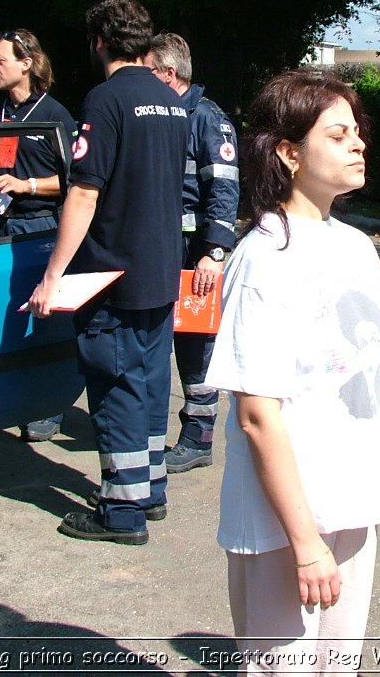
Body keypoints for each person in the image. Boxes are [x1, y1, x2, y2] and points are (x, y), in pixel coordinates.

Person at [205, 69, 380, 675]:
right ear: (289, 153)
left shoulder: (355, 247)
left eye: (357, 131)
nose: (360, 142)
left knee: (338, 668)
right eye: (338, 135)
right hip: (289, 520)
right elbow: (257, 415)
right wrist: (305, 545)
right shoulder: (263, 260)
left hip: (354, 501)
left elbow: (378, 370)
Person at [27, 0, 188, 546]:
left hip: (111, 274)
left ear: (98, 41)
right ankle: (151, 490)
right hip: (161, 269)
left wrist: (52, 276)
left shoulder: (105, 99)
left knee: (116, 385)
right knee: (149, 380)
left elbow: (84, 192)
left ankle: (121, 513)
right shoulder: (171, 101)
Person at [0, 28, 78, 442]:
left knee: (41, 320)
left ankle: (49, 404)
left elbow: (77, 183)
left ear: (26, 64)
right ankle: (9, 397)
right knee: (2, 314)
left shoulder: (54, 117)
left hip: (38, 229)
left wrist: (27, 185)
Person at [145, 32, 240, 473]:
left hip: (196, 254)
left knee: (196, 344)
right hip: (166, 250)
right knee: (161, 340)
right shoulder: (164, 115)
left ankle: (199, 437)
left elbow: (223, 189)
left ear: (169, 73)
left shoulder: (207, 119)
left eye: (149, 72)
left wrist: (214, 253)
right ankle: (154, 430)